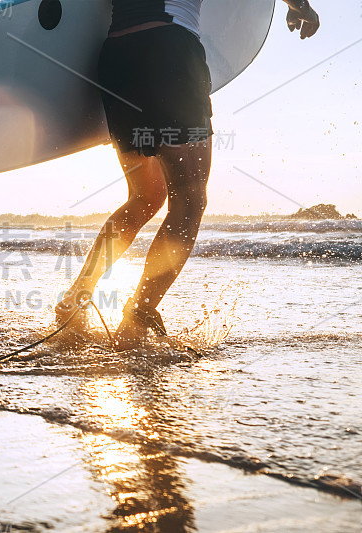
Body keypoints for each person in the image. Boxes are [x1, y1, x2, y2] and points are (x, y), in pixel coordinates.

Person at [55, 0, 320, 348]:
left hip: (118, 58)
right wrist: (300, 6)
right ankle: (137, 319)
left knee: (145, 197)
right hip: (170, 54)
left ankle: (76, 298)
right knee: (190, 199)